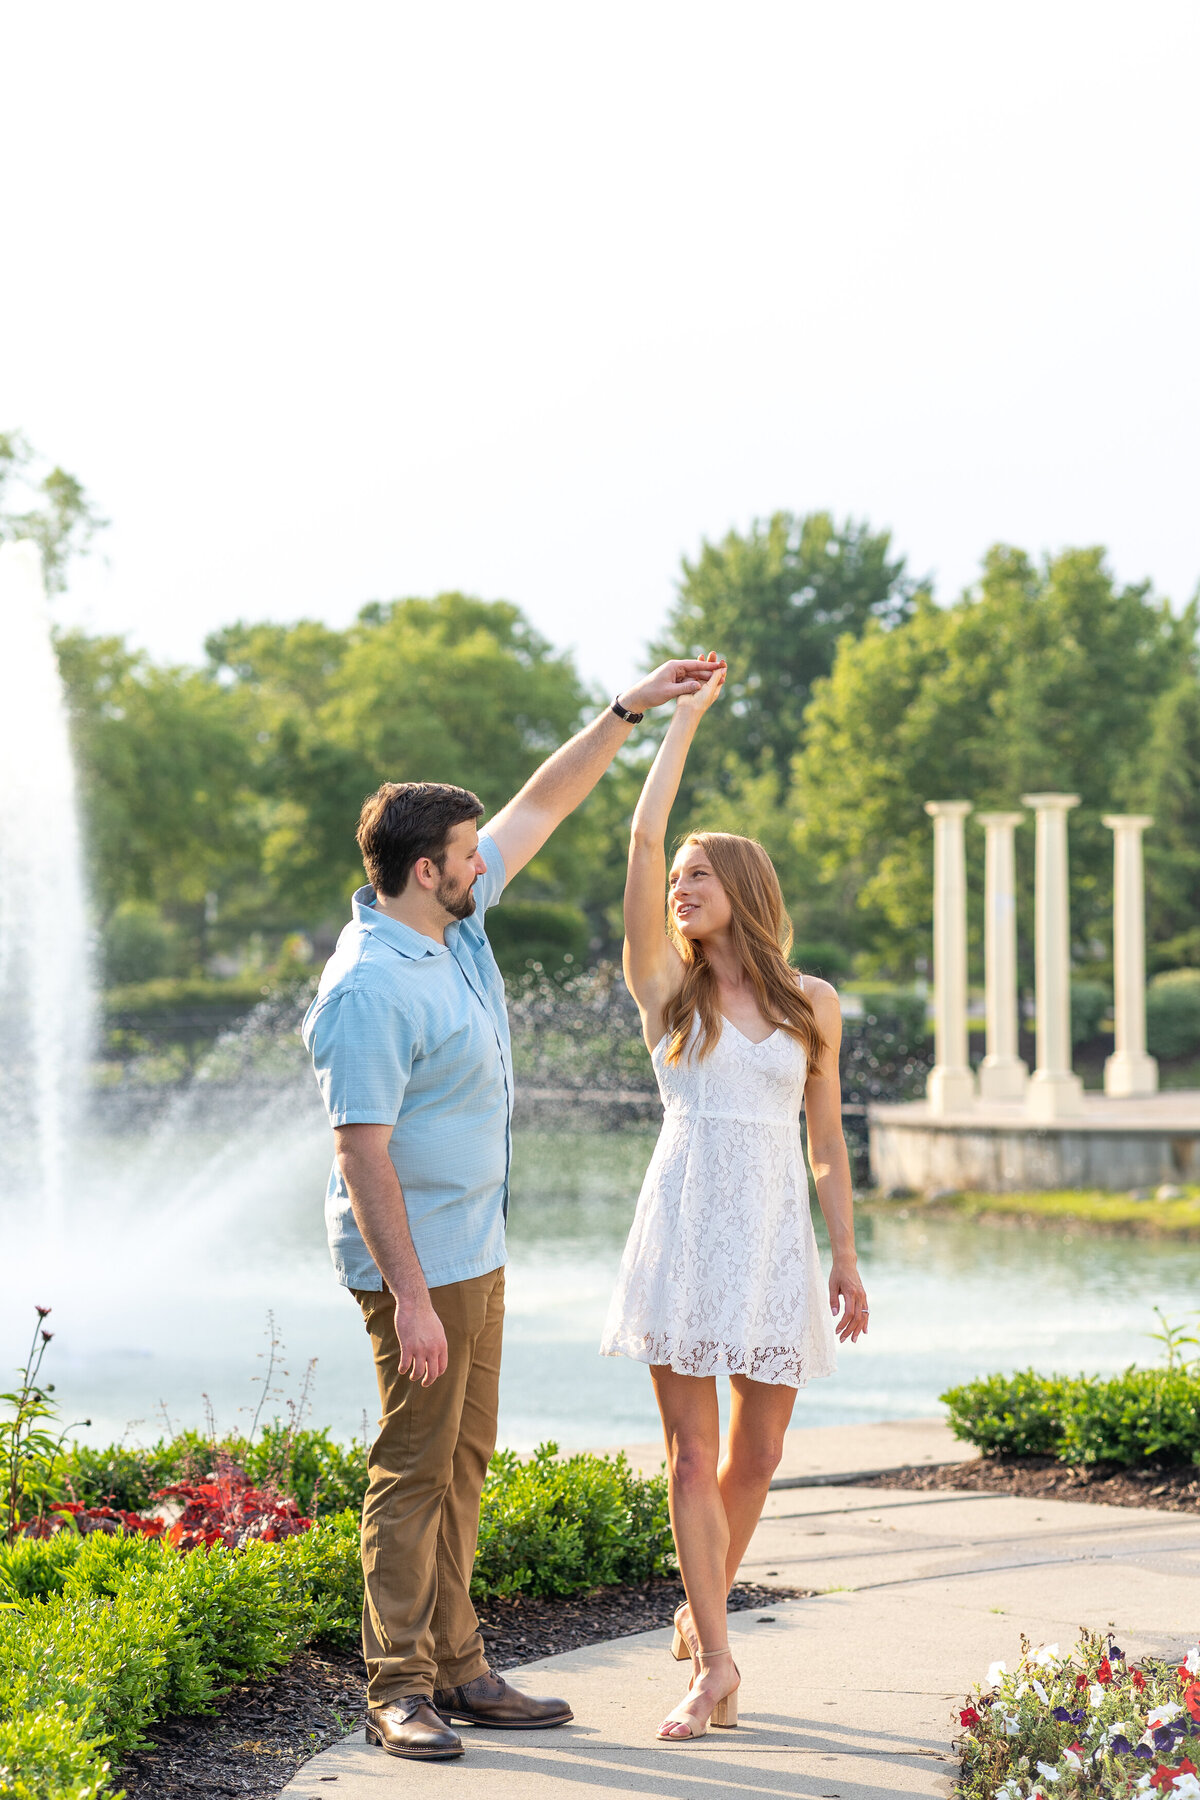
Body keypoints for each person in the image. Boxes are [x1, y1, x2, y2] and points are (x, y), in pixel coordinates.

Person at [301, 656, 721, 1763]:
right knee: (413, 1468)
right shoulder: (368, 985)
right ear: (426, 869)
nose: (488, 858)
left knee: (466, 1458)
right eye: (470, 852)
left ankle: (459, 1665)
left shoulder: (456, 928)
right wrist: (411, 1301)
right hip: (416, 1266)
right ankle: (397, 1687)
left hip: (473, 1247)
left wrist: (631, 709)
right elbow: (361, 1153)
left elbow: (545, 799)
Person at [600, 651, 869, 1744]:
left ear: (745, 892)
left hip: (772, 1241)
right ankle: (716, 1663)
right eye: (679, 883)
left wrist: (845, 1256)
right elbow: (642, 839)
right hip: (681, 1225)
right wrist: (681, 720)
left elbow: (826, 1142)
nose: (679, 890)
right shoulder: (665, 993)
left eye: (700, 880)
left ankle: (699, 1604)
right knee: (685, 1453)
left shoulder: (813, 1003)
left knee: (755, 1458)